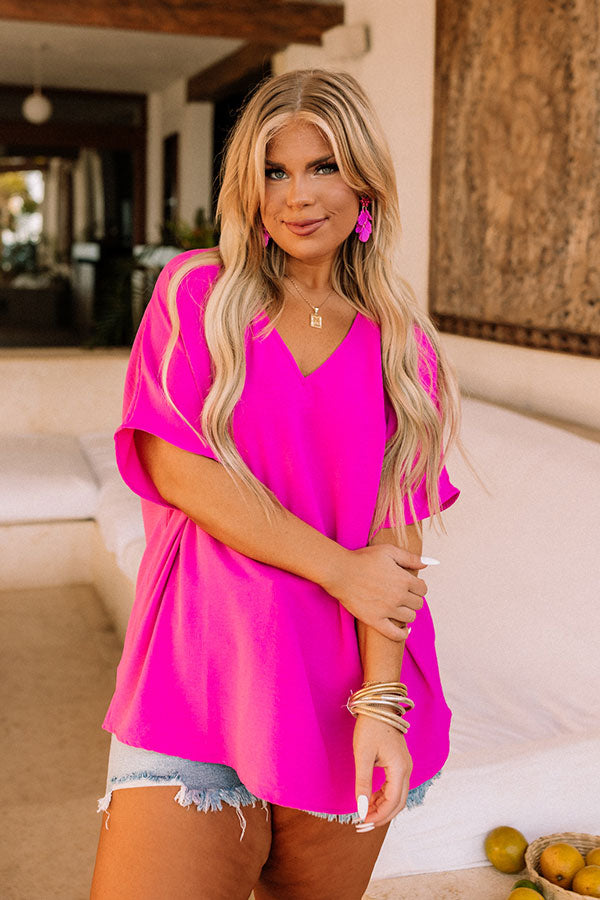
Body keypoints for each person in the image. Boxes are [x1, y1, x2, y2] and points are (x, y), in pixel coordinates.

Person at [91, 68, 461, 899]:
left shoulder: (402, 346)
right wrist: (340, 569)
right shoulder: (199, 292)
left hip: (342, 696)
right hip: (198, 673)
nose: (298, 195)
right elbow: (173, 465)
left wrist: (380, 704)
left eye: (323, 166)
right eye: (275, 170)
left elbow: (395, 541)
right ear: (249, 188)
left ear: (363, 182)